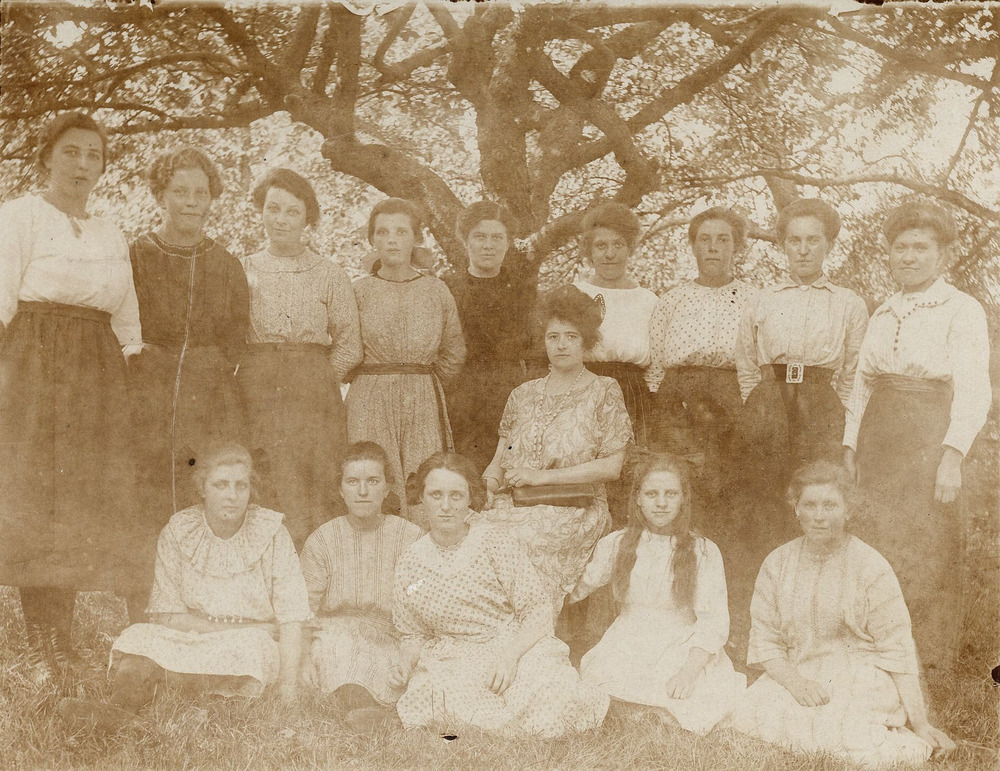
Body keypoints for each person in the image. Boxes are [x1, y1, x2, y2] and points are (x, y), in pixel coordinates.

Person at [0, 111, 143, 680]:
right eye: (71, 152)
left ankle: (64, 632)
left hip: (96, 371)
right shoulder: (20, 216)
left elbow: (126, 314)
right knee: (41, 496)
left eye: (93, 155)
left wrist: (127, 363)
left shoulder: (110, 232)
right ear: (46, 157)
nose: (83, 164)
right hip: (36, 365)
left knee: (82, 496)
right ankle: (44, 640)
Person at [58, 443, 310, 732]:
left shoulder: (272, 532)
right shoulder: (179, 531)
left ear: (251, 489)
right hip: (191, 637)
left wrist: (288, 688)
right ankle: (118, 710)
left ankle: (169, 702)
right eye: (220, 485)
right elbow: (168, 617)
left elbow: (292, 618)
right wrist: (230, 629)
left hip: (246, 645)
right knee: (139, 635)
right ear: (202, 488)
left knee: (252, 650)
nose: (232, 495)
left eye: (241, 485)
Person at [843, 202, 991, 680]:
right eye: (900, 248)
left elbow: (974, 388)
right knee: (876, 538)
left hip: (929, 433)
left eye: (921, 248)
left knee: (930, 544)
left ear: (943, 255)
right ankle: (874, 653)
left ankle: (927, 662)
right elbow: (862, 384)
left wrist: (951, 457)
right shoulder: (883, 312)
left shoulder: (961, 309)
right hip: (879, 434)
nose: (908, 257)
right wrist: (850, 447)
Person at [730, 461, 955, 768]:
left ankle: (902, 741)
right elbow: (766, 641)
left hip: (860, 675)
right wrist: (796, 683)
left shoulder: (871, 566)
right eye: (809, 505)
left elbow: (898, 648)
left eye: (830, 505)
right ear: (796, 508)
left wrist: (921, 723)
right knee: (746, 715)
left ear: (848, 510)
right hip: (799, 670)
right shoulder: (777, 563)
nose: (819, 516)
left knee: (841, 727)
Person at [391, 452, 609, 737]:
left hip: (510, 645)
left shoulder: (495, 541)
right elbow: (413, 634)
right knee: (438, 700)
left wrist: (510, 657)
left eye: (456, 495)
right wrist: (405, 663)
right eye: (435, 495)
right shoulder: (411, 561)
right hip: (454, 657)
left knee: (553, 689)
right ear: (421, 497)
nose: (446, 506)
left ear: (470, 497)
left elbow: (537, 609)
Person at [479, 286, 633, 615]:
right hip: (515, 503)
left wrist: (540, 477)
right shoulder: (522, 394)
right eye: (553, 336)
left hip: (575, 507)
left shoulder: (604, 390)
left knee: (514, 541)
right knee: (470, 535)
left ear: (586, 341)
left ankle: (529, 628)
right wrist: (489, 485)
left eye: (571, 336)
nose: (561, 344)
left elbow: (612, 467)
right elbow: (502, 454)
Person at [570, 452, 745, 735]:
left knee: (688, 695)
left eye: (671, 494)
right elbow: (577, 587)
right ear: (637, 498)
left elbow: (713, 622)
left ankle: (649, 712)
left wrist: (688, 672)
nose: (661, 503)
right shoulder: (617, 544)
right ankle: (639, 712)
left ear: (683, 498)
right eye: (652, 494)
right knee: (601, 684)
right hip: (627, 641)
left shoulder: (703, 550)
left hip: (682, 644)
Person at [735, 198, 868, 553]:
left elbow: (853, 372)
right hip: (768, 403)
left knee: (816, 493)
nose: (804, 250)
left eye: (813, 240)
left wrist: (834, 412)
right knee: (764, 497)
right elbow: (746, 364)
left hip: (820, 407)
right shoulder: (762, 299)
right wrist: (759, 404)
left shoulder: (848, 303)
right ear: (783, 245)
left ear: (829, 245)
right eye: (795, 240)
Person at [238, 169, 362, 547]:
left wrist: (317, 377)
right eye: (273, 209)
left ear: (308, 217)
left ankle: (320, 566)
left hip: (315, 394)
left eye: (292, 211)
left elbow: (350, 345)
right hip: (259, 390)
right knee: (268, 475)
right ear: (260, 211)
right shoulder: (243, 270)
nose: (281, 220)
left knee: (319, 477)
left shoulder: (330, 274)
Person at [128, 146, 250, 525]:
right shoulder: (136, 255)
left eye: (201, 193)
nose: (191, 202)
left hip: (209, 397)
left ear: (211, 198)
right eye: (180, 192)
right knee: (146, 489)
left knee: (204, 488)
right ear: (160, 195)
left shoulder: (226, 264)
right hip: (147, 394)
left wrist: (205, 368)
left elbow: (235, 339)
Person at [346, 198, 465, 525]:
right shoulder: (358, 291)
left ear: (416, 238)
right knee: (373, 480)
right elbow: (345, 348)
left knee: (423, 480)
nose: (392, 240)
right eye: (382, 232)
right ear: (373, 239)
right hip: (370, 400)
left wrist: (424, 383)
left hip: (422, 398)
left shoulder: (436, 290)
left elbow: (453, 353)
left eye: (401, 232)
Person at [646, 207, 757, 522]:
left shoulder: (754, 299)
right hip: (677, 402)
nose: (713, 247)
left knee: (729, 486)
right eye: (704, 239)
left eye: (723, 239)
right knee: (679, 482)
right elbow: (655, 367)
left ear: (736, 246)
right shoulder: (671, 300)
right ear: (693, 246)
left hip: (733, 400)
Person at [299, 441, 423, 723]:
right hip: (334, 635)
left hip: (390, 637)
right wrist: (303, 659)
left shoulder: (411, 538)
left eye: (373, 481)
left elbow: (422, 608)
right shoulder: (323, 540)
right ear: (341, 490)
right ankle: (364, 710)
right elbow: (303, 609)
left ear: (387, 488)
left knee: (395, 666)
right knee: (340, 651)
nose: (363, 491)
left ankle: (372, 712)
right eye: (353, 482)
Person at [443, 201, 535, 471]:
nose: (488, 245)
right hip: (459, 397)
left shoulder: (522, 291)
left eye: (497, 238)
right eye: (480, 237)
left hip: (508, 395)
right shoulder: (447, 288)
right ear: (465, 241)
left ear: (508, 243)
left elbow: (534, 350)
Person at [572, 202, 658, 447]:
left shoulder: (649, 301)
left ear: (630, 248)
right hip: (581, 390)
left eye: (618, 244)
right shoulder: (575, 294)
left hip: (632, 397)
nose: (610, 254)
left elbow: (656, 366)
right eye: (601, 245)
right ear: (589, 251)